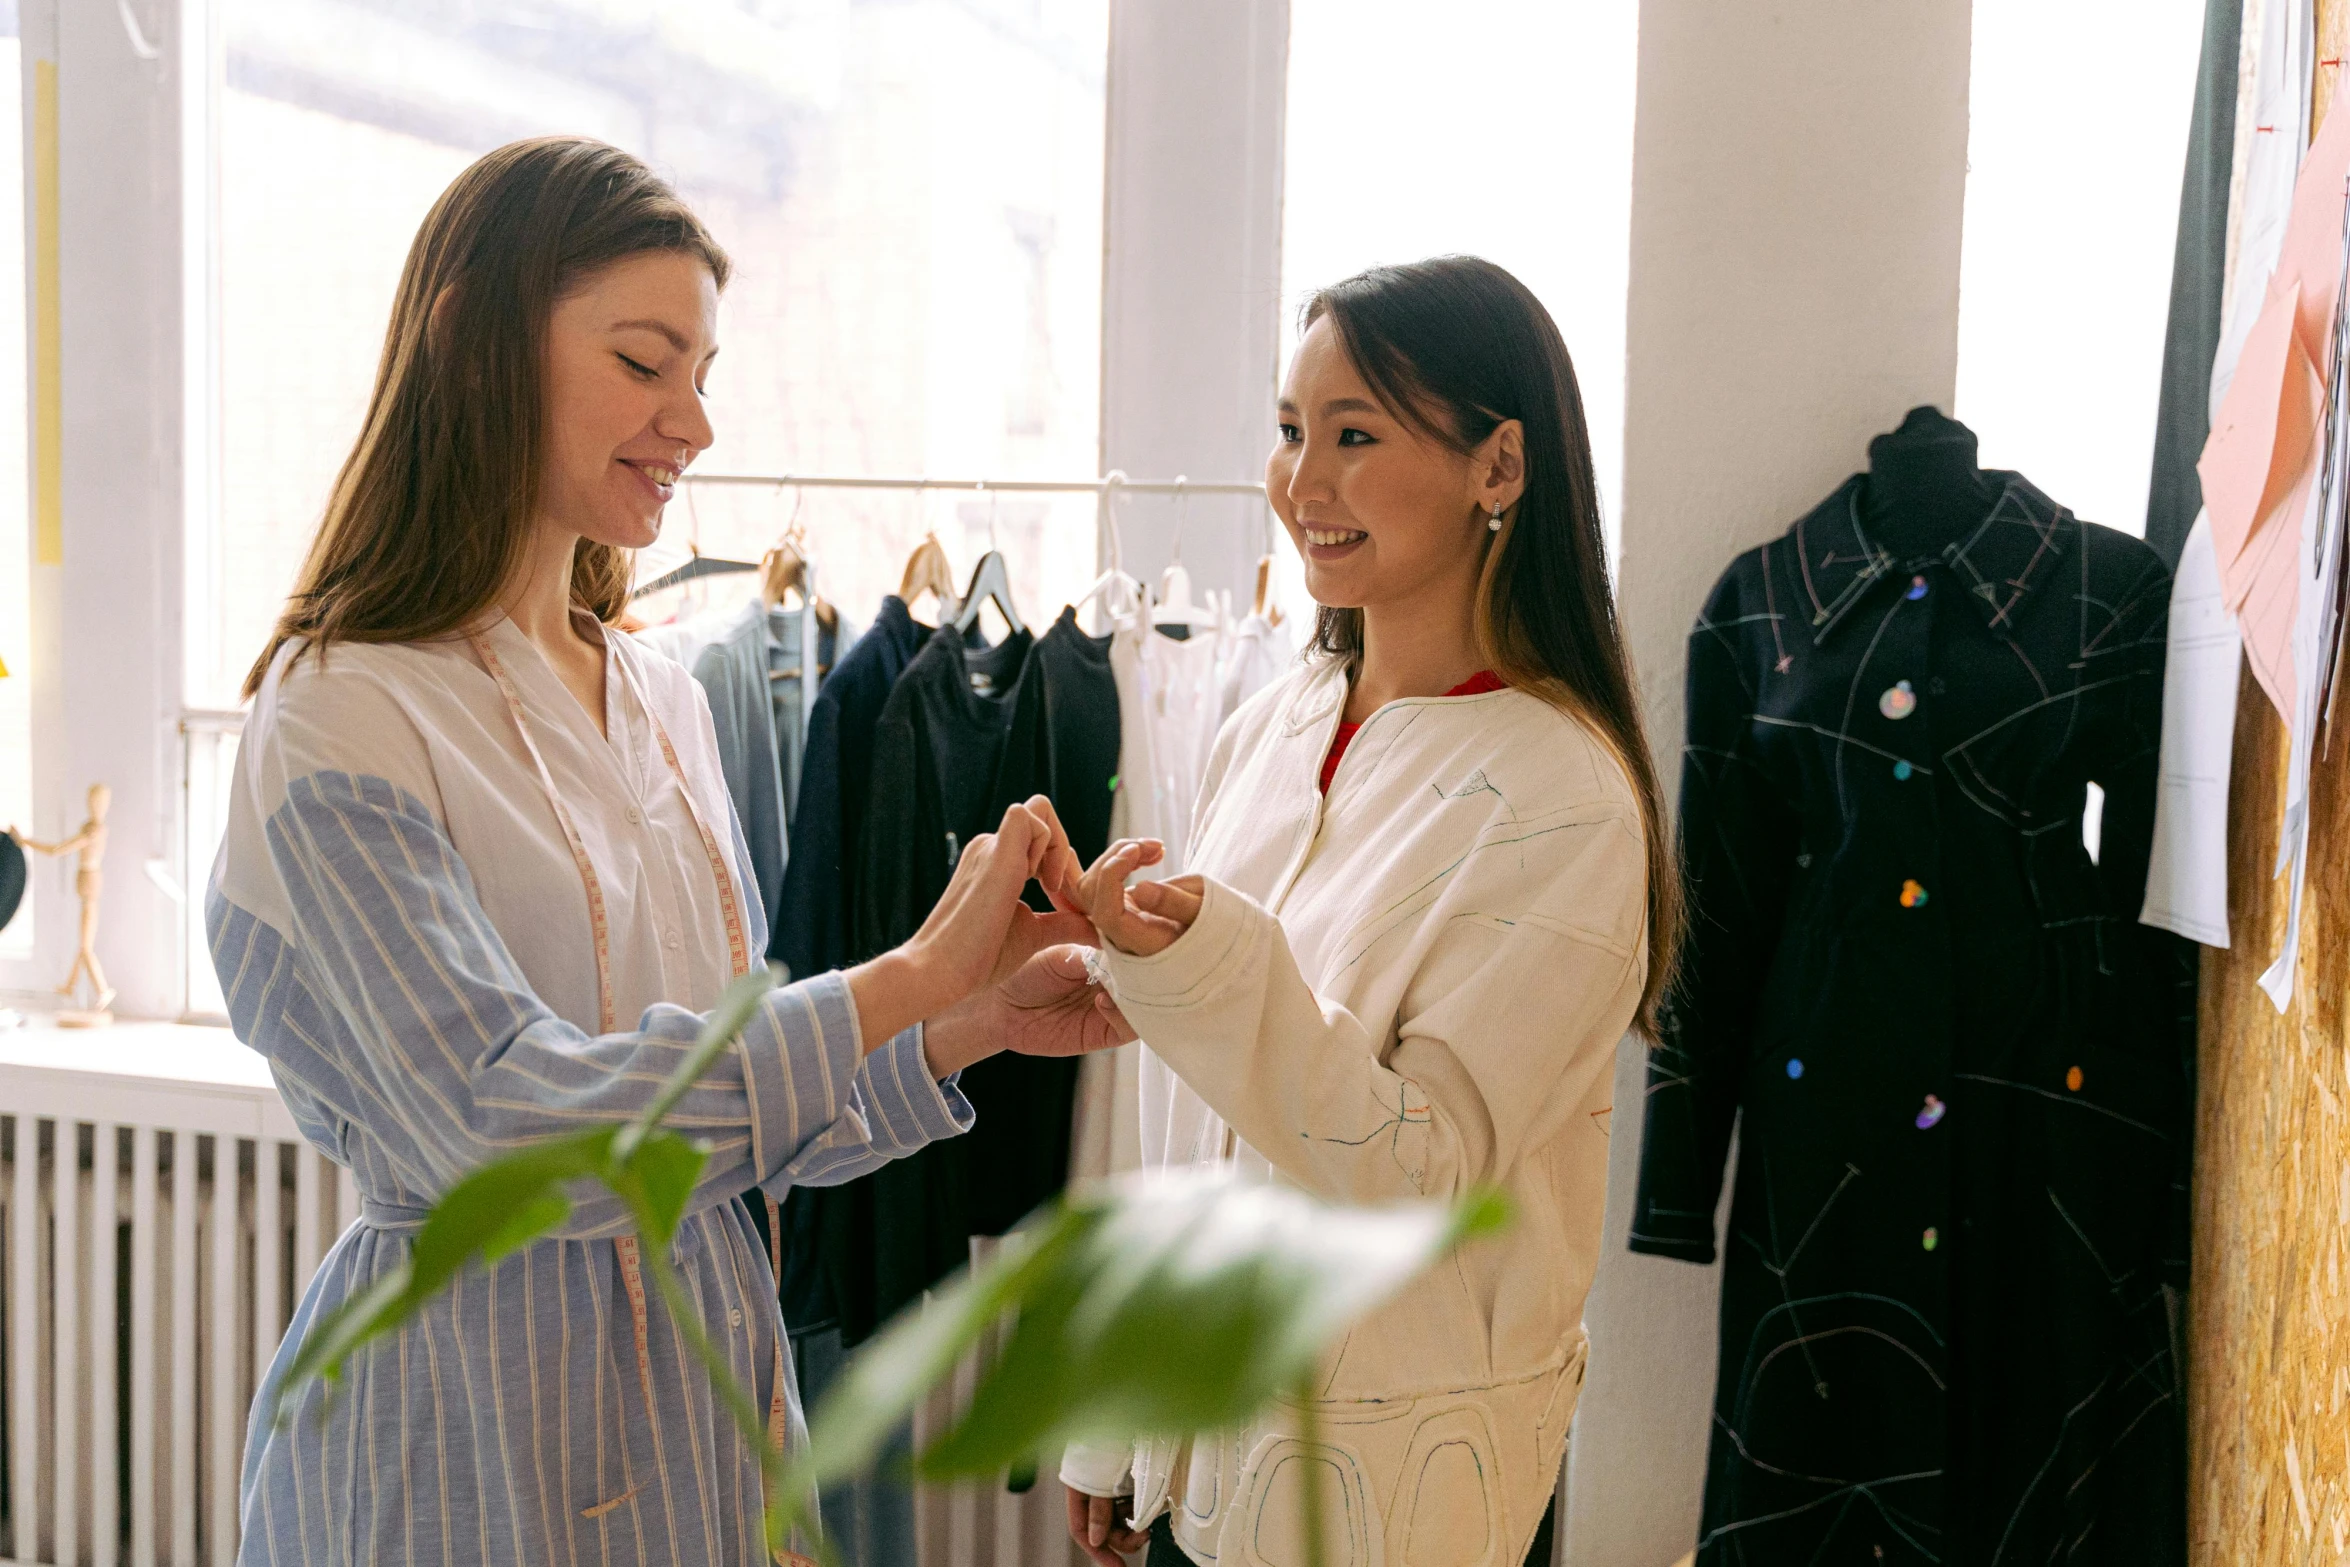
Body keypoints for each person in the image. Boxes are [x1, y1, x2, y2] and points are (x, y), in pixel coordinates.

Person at [208, 136, 1116, 1566]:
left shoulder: (663, 698)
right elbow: (492, 1127)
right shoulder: (342, 712)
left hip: (700, 1425)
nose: (691, 420)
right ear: (468, 341)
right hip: (454, 1442)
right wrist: (903, 976)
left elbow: (739, 1105)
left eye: (701, 370)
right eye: (644, 362)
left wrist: (963, 1019)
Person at [1056, 258, 1678, 1567]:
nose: (1303, 482)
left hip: (1386, 1504)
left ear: (1496, 466)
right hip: (1201, 1472)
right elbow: (1186, 1132)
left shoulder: (1560, 795)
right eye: (1291, 432)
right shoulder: (1273, 723)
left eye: (1354, 435)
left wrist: (1213, 969)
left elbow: (1420, 1170)